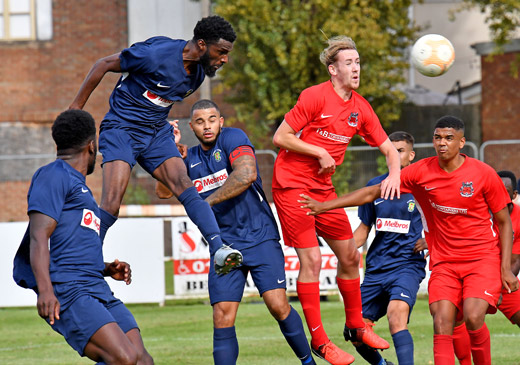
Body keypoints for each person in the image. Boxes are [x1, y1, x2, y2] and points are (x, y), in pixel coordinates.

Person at [299, 116, 519, 364]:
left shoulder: (483, 174)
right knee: (441, 321)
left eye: (449, 138)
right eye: (437, 138)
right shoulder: (421, 172)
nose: (442, 143)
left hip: (481, 260)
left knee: (473, 316)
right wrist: (325, 205)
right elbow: (372, 192)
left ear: (462, 142)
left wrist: (505, 270)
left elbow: (504, 222)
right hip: (444, 263)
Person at [69, 15, 241, 274]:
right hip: (121, 129)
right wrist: (75, 109)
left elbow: (157, 101)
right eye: (222, 52)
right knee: (112, 204)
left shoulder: (197, 76)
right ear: (203, 45)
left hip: (156, 133)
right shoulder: (155, 54)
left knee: (185, 186)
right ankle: (83, 264)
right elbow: (102, 64)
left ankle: (219, 249)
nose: (225, 59)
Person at [271, 35, 399, 365]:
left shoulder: (361, 108)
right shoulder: (315, 96)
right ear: (333, 69)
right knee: (311, 261)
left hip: (323, 190)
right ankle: (320, 341)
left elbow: (388, 149)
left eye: (358, 62)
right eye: (348, 63)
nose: (356, 68)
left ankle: (356, 327)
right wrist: (318, 150)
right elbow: (280, 137)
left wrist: (395, 174)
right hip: (291, 186)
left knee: (350, 256)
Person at [166, 99, 316, 365]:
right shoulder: (189, 157)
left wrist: (204, 205)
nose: (207, 126)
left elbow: (245, 174)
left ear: (220, 122)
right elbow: (164, 191)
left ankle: (308, 361)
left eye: (212, 119)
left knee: (278, 305)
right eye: (200, 122)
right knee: (222, 315)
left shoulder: (233, 138)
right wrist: (170, 156)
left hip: (259, 236)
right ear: (192, 127)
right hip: (224, 245)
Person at [12, 110, 153, 364]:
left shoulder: (80, 188)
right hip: (70, 290)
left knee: (142, 360)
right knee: (125, 358)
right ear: (91, 145)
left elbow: (70, 247)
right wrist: (45, 290)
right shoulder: (53, 175)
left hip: (95, 287)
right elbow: (38, 237)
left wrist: (106, 269)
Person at [352, 131, 427, 365]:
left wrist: (431, 240)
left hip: (407, 266)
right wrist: (343, 251)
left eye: (400, 151)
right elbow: (364, 229)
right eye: (389, 151)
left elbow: (448, 219)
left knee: (396, 316)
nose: (393, 155)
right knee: (354, 332)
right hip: (376, 269)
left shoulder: (422, 187)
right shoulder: (375, 186)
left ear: (411, 155)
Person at [452, 170, 520, 364]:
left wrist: (496, 288)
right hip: (473, 275)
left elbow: (515, 260)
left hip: (504, 280)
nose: (500, 193)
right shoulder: (477, 211)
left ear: (514, 195)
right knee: (456, 318)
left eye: (506, 191)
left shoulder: (519, 217)